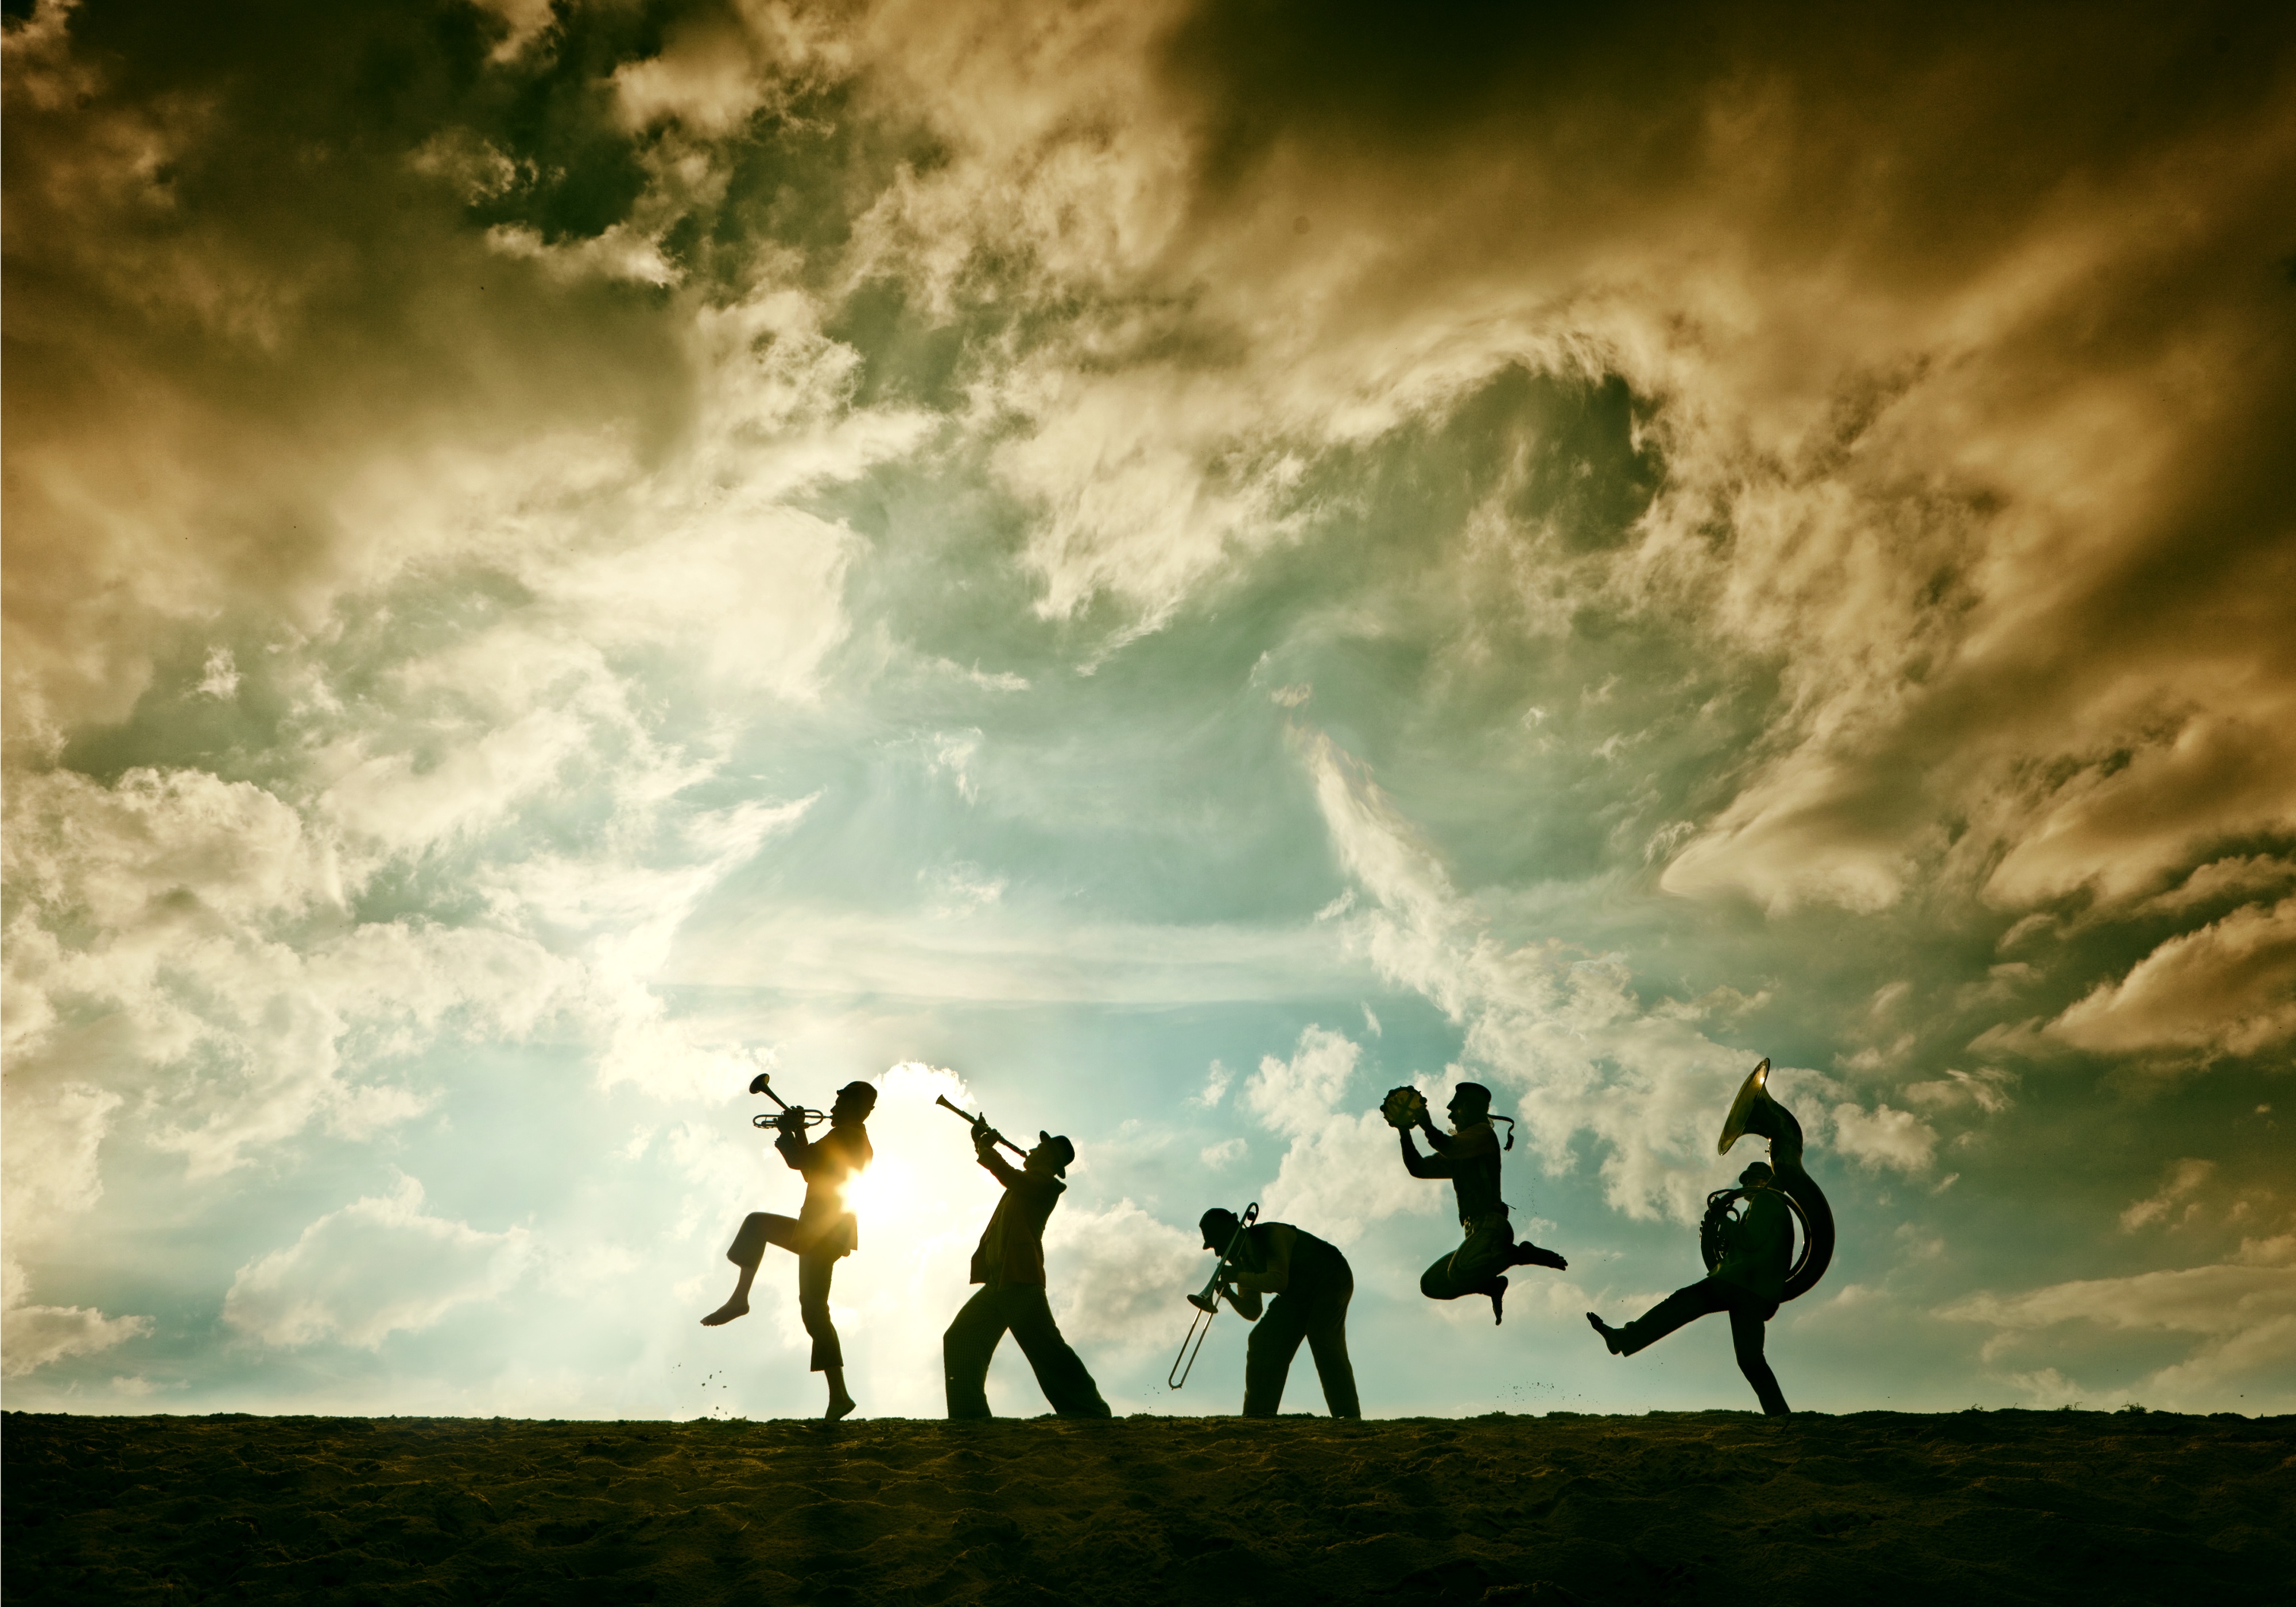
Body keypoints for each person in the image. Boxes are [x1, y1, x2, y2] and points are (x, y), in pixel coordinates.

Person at [701, 1080, 877, 1420]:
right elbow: (811, 1172)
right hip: (818, 1228)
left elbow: (800, 1162)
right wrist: (797, 1132)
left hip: (823, 1231)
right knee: (757, 1225)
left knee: (814, 1311)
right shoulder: (850, 1137)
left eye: (842, 1101)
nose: (834, 1106)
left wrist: (789, 1133)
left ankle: (840, 1395)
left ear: (858, 1108)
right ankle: (740, 1299)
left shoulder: (847, 1136)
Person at [1585, 1160, 1793, 1415]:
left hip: (1742, 1283)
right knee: (1751, 1360)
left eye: (1752, 1179)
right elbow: (1749, 1244)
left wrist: (1721, 1219)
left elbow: (1749, 1241)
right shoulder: (1771, 1204)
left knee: (1684, 1301)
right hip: (1759, 1291)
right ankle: (1781, 1416)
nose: (1747, 1184)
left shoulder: (1765, 1199)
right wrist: (1726, 1235)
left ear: (1764, 1180)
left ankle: (1625, 1338)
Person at [943, 1124, 1112, 1419]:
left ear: (1049, 1158)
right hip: (998, 1282)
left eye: (1039, 1148)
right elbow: (1008, 1177)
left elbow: (1007, 1175)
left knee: (1047, 1348)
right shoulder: (1026, 1183)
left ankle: (1091, 1410)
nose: (1032, 1149)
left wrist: (985, 1147)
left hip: (1020, 1281)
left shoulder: (1045, 1185)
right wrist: (980, 1144)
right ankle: (969, 1416)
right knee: (961, 1337)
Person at [1396, 1081, 1566, 1323]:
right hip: (1474, 1231)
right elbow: (1419, 1168)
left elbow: (1448, 1146)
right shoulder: (1462, 1151)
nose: (1451, 1116)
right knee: (1431, 1284)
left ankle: (1518, 1254)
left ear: (1468, 1108)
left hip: (1491, 1225)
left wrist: (1426, 1125)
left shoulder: (1482, 1135)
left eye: (1455, 1109)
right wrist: (1404, 1131)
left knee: (1459, 1271)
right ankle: (1489, 1285)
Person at [1197, 1208, 1360, 1419]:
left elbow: (1278, 1281)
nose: (1218, 1253)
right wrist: (1228, 1294)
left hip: (1330, 1276)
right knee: (1263, 1340)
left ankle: (1348, 1418)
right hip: (1296, 1294)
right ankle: (1258, 1418)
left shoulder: (1272, 1235)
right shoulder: (1240, 1261)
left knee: (1323, 1338)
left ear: (1231, 1233)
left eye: (1218, 1244)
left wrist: (1237, 1276)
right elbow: (1253, 1311)